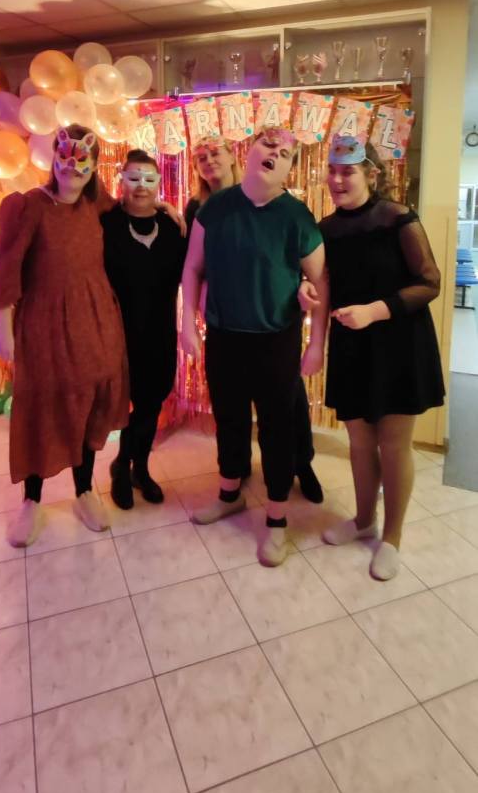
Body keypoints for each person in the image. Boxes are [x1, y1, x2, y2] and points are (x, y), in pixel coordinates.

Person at [300, 134, 444, 581]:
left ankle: (392, 538)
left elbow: (430, 282)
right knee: (360, 444)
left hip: (400, 343)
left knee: (394, 445)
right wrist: (306, 293)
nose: (337, 180)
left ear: (371, 174)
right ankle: (364, 521)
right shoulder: (325, 229)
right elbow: (321, 284)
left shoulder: (397, 218)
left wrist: (374, 311)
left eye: (348, 171)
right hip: (352, 346)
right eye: (332, 171)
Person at [182, 127, 329, 567]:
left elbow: (321, 282)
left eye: (285, 154)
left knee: (276, 428)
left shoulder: (296, 216)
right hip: (224, 336)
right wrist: (186, 324)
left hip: (275, 339)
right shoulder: (215, 209)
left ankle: (277, 518)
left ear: (289, 169)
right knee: (228, 419)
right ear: (247, 151)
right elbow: (192, 268)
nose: (275, 154)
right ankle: (230, 493)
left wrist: (316, 344)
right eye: (269, 145)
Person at [0, 124, 129, 547]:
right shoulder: (29, 207)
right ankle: (31, 500)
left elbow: (130, 211)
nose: (72, 166)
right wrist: (2, 326)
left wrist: (164, 207)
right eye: (64, 157)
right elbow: (6, 268)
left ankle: (85, 490)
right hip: (44, 324)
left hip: (95, 320)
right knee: (41, 405)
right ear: (53, 159)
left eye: (82, 160)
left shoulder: (96, 204)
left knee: (88, 404)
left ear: (94, 166)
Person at [102, 150, 187, 510]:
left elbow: (192, 273)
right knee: (126, 405)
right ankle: (121, 468)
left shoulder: (172, 228)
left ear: (158, 184)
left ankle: (139, 468)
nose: (141, 186)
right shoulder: (106, 225)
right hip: (117, 335)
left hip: (160, 333)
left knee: (152, 403)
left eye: (149, 179)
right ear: (121, 181)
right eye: (133, 178)